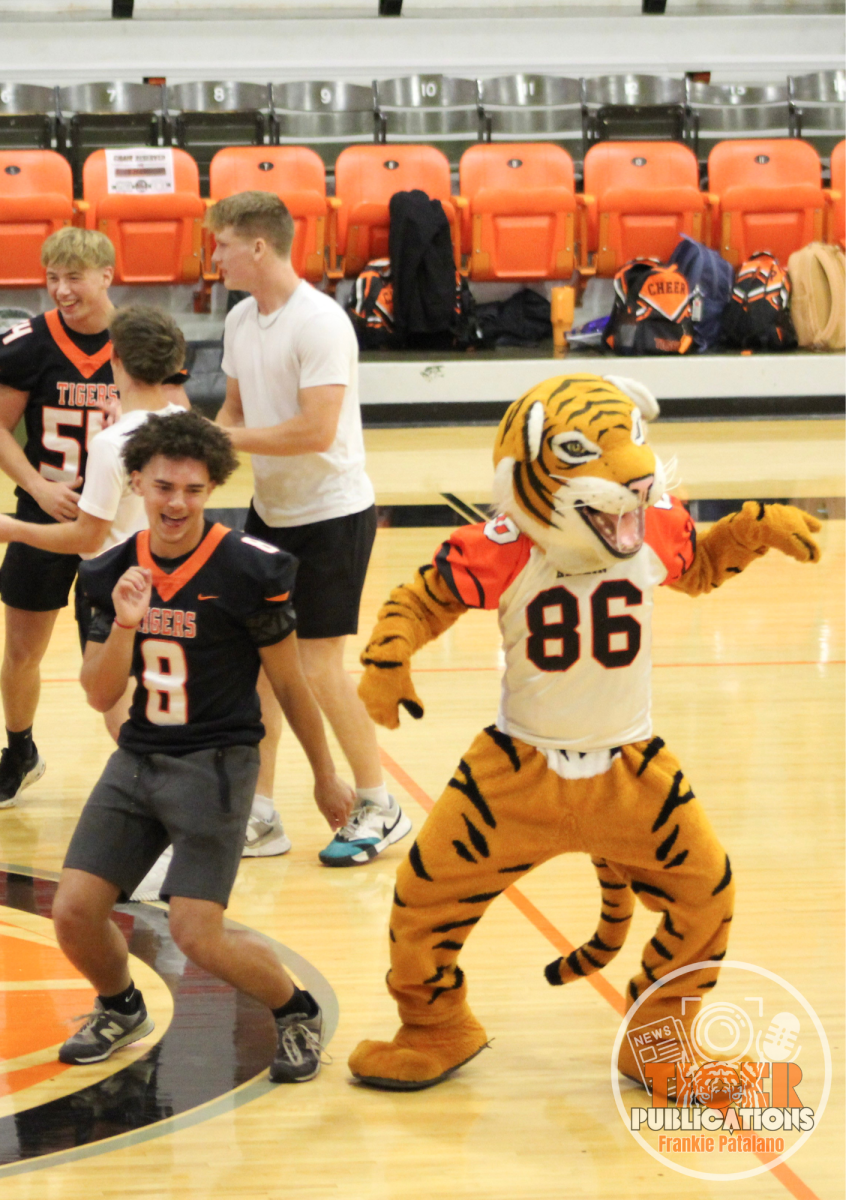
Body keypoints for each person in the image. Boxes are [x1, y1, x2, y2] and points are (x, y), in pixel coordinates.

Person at [52, 410, 354, 1083]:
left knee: (195, 932)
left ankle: (296, 1010)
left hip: (217, 764)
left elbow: (290, 684)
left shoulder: (250, 569)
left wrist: (325, 776)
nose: (177, 503)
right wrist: (125, 625)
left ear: (213, 488)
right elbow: (100, 694)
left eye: (193, 490)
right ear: (136, 482)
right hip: (138, 757)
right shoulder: (109, 571)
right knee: (72, 911)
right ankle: (120, 1007)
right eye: (163, 487)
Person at [206, 190, 411, 866]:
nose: (215, 257)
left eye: (223, 245)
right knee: (263, 668)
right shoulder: (241, 319)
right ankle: (262, 814)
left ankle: (379, 803)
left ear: (258, 246)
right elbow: (235, 411)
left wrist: (222, 441)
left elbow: (316, 430)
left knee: (319, 666)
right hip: (272, 512)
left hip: (332, 515)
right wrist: (199, 459)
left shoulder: (321, 323)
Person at [0, 229, 188, 807]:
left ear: (107, 276)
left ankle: (150, 773)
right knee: (21, 650)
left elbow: (178, 417)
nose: (61, 290)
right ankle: (19, 750)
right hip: (47, 512)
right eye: (52, 278)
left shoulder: (141, 340)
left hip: (119, 528)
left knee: (118, 662)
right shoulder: (28, 344)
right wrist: (38, 485)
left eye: (74, 277)